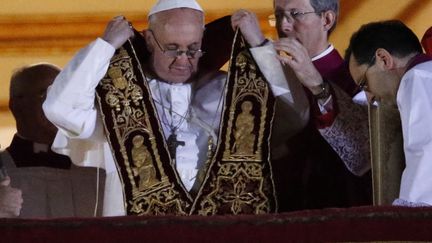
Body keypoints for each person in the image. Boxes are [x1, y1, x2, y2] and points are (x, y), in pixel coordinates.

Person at [43, 0, 310, 216]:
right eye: (172, 49)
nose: (183, 61)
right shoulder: (118, 97)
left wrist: (260, 46)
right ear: (149, 40)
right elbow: (60, 108)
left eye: (193, 49)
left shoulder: (229, 92)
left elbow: (295, 115)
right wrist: (105, 47)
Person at [231, 0, 372, 211]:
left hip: (336, 209)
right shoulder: (264, 73)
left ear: (326, 19)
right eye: (278, 15)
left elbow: (359, 152)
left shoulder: (356, 80)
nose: (284, 26)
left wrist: (261, 47)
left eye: (295, 14)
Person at [0, 63, 105, 218]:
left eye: (63, 95)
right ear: (16, 105)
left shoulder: (96, 172)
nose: (57, 104)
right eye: (46, 94)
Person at [346, 20, 432, 206]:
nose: (370, 98)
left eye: (364, 83)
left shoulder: (417, 78)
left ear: (383, 59)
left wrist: (400, 221)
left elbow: (427, 156)